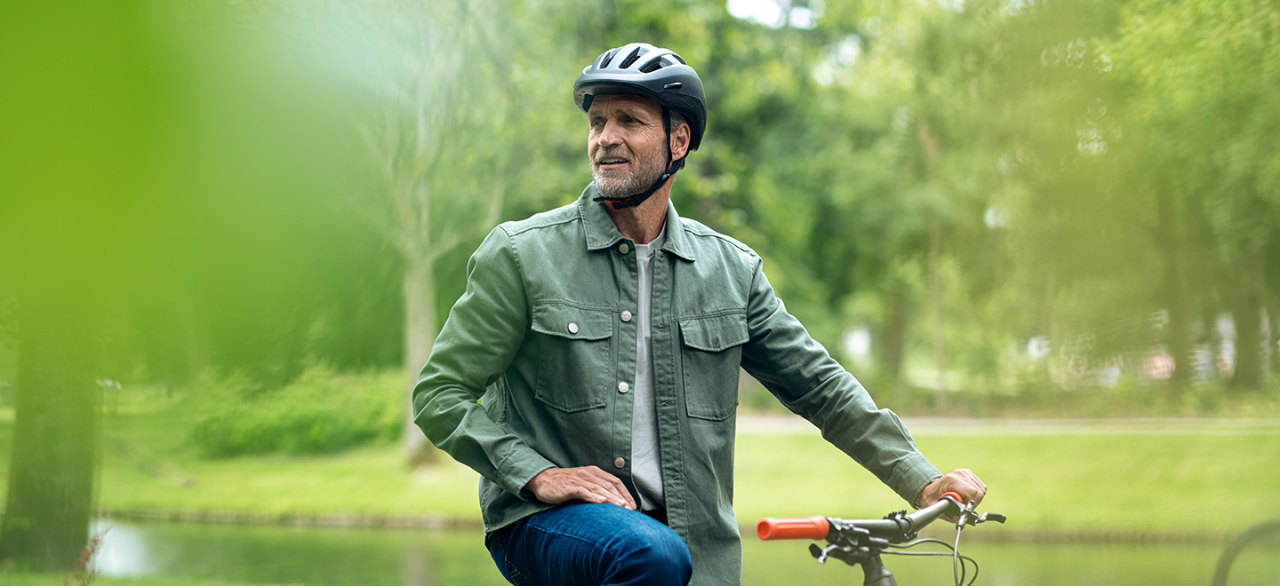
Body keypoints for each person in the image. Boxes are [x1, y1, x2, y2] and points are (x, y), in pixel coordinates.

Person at [412, 42, 987, 586]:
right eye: (597, 122)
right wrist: (539, 474)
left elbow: (823, 389)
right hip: (545, 524)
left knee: (665, 554)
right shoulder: (523, 254)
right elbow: (440, 394)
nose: (605, 139)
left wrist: (922, 478)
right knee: (649, 553)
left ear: (679, 140)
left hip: (696, 544)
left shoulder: (731, 272)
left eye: (628, 121)